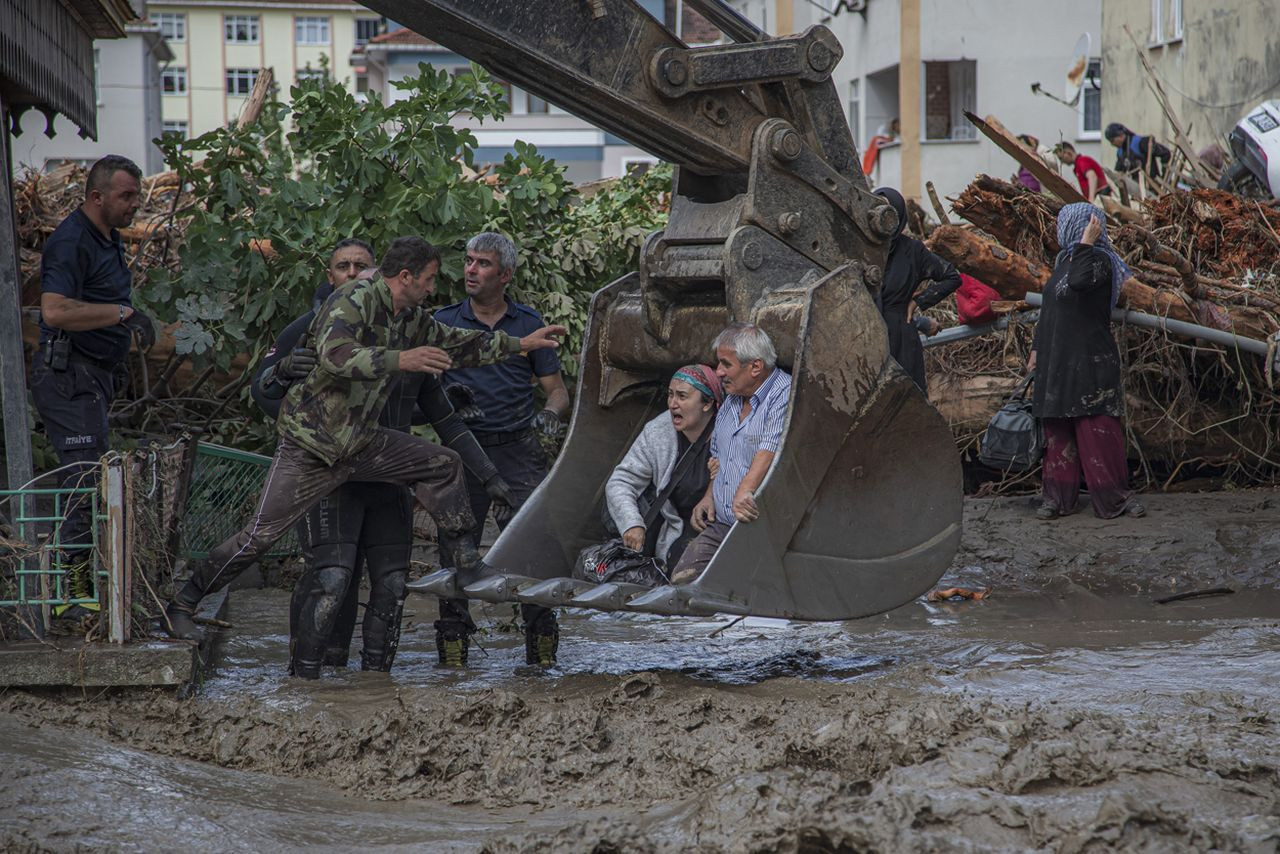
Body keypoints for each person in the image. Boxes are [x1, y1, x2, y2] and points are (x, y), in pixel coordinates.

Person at [162, 236, 565, 640]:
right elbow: (335, 356)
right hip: (312, 445)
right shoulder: (354, 299)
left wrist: (520, 344)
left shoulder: (410, 316)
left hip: (364, 442)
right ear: (405, 277)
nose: (433, 289)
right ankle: (183, 604)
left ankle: (465, 559)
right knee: (259, 537)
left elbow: (457, 343)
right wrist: (401, 359)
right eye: (428, 280)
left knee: (444, 464)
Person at [251, 239, 517, 676]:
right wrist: (281, 375)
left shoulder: (412, 332)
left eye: (362, 266)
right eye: (343, 266)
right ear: (330, 275)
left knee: (393, 584)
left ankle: (375, 686)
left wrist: (489, 475)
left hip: (387, 472)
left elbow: (443, 418)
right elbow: (266, 394)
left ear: (385, 276)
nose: (354, 274)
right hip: (329, 470)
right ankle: (308, 679)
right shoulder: (316, 329)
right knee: (332, 579)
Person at [424, 232, 571, 667]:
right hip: (461, 454)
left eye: (482, 264)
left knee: (534, 546)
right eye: (468, 261)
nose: (470, 270)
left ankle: (541, 649)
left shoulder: (529, 324)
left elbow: (558, 391)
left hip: (518, 451)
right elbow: (418, 388)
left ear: (505, 274)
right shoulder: (443, 322)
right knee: (455, 548)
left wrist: (550, 415)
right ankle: (453, 652)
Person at [31, 155, 156, 615]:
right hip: (67, 377)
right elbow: (56, 311)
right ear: (96, 196)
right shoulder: (70, 241)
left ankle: (89, 585)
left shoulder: (111, 238)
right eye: (126, 196)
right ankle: (72, 594)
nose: (135, 205)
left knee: (96, 480)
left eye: (138, 196)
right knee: (82, 481)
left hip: (95, 378)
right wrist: (122, 314)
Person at [1027, 203, 1145, 521]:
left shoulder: (1101, 261)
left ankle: (1113, 498)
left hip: (1090, 358)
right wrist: (1037, 349)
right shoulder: (1063, 260)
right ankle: (1057, 499)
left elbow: (1079, 283)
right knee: (1057, 430)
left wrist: (1087, 242)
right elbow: (1049, 310)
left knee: (1096, 429)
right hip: (1058, 357)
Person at [670, 324, 791, 586]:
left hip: (760, 528)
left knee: (740, 596)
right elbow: (720, 458)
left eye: (726, 364)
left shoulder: (783, 393)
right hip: (723, 524)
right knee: (682, 583)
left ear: (755, 367)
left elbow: (769, 447)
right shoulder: (732, 400)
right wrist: (709, 496)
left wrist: (745, 489)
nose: (719, 372)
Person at [605, 365, 722, 568]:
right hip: (670, 529)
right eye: (670, 395)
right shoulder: (658, 431)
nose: (672, 404)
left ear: (707, 403)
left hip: (711, 530)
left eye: (682, 396)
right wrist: (631, 523)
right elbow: (621, 482)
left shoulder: (731, 434)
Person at [870, 187, 962, 392]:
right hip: (866, 335)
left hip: (901, 337)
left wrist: (919, 302)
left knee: (907, 403)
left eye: (887, 209)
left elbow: (952, 277)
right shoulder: (862, 247)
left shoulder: (912, 250)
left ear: (897, 214)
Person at [1104, 123, 1171, 181]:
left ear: (1121, 135)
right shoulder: (1120, 152)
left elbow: (1165, 153)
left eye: (1112, 141)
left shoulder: (1140, 142)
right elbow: (1119, 173)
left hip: (1153, 186)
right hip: (1137, 190)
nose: (1112, 144)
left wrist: (1165, 177)